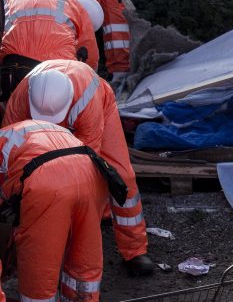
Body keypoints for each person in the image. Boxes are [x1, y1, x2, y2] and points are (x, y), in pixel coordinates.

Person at [4, 61, 155, 275]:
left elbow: (85, 166)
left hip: (97, 111)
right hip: (42, 127)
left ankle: (135, 249)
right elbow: (8, 155)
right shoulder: (20, 100)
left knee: (121, 174)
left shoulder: (88, 100)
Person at [0, 119, 110, 300]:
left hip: (47, 182)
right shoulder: (26, 131)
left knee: (41, 259)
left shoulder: (6, 140)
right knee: (84, 251)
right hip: (93, 173)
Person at [0, 0, 101, 97]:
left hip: (16, 71)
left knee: (15, 110)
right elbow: (88, 46)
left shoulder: (6, 0)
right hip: (62, 70)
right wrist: (89, 78)